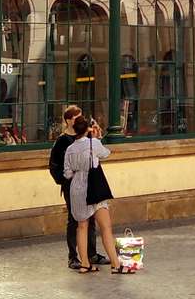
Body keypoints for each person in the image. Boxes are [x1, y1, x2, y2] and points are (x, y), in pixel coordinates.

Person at [63, 115, 123, 273]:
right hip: (93, 187)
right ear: (88, 128)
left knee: (81, 227)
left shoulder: (70, 149)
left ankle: (84, 264)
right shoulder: (93, 143)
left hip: (77, 189)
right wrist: (97, 137)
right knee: (105, 227)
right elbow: (106, 153)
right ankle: (116, 264)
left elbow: (67, 174)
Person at [49, 105, 105, 270]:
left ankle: (91, 253)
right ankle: (73, 256)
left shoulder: (87, 137)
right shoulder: (62, 141)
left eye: (81, 117)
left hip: (89, 182)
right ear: (68, 121)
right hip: (72, 185)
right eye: (76, 118)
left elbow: (97, 155)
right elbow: (54, 166)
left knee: (91, 218)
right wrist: (66, 180)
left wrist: (97, 138)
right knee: (75, 220)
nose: (79, 120)